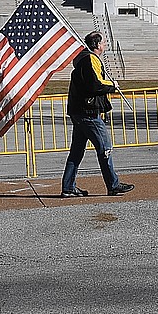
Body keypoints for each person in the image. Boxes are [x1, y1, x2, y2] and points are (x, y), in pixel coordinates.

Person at [60, 31, 134, 197]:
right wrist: (112, 85)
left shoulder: (82, 58)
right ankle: (113, 185)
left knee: (76, 151)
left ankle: (68, 187)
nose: (106, 45)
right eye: (104, 42)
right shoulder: (90, 59)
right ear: (98, 45)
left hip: (79, 112)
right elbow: (95, 85)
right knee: (105, 149)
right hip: (88, 113)